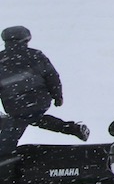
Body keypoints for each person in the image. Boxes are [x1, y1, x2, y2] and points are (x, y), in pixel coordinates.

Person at [0, 26, 89, 158]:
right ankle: (72, 128)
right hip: (39, 100)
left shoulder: (1, 59)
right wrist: (57, 95)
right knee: (34, 117)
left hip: (14, 103)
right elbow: (52, 76)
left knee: (13, 130)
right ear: (26, 39)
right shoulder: (36, 55)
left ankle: (6, 160)